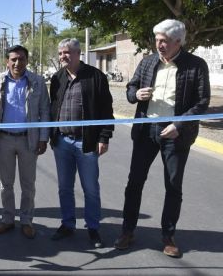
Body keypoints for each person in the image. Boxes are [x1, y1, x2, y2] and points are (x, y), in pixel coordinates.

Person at [115, 19, 210, 258]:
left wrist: (179, 124)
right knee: (134, 182)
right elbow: (130, 88)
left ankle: (168, 237)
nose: (159, 45)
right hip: (146, 132)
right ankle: (127, 231)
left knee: (173, 186)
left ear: (178, 42)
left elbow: (202, 102)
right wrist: (135, 94)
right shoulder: (147, 62)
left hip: (176, 134)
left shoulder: (196, 66)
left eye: (164, 41)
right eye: (157, 40)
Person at [49, 38, 114, 249]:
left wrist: (104, 138)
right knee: (64, 188)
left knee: (90, 188)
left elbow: (106, 111)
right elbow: (53, 109)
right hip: (62, 142)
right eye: (60, 53)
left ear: (78, 54)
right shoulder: (57, 78)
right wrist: (52, 135)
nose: (62, 57)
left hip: (86, 143)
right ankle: (67, 224)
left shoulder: (96, 77)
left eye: (66, 52)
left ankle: (93, 227)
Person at [0, 45, 50, 240]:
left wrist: (43, 137)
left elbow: (45, 111)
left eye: (21, 59)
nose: (17, 63)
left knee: (28, 184)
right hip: (3, 139)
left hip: (28, 140)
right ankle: (7, 219)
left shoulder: (37, 82)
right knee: (7, 184)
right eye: (13, 59)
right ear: (7, 61)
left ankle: (27, 221)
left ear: (27, 61)